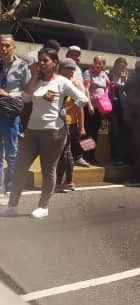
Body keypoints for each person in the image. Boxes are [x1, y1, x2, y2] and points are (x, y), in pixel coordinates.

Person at [0, 47, 88, 218]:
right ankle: (12, 205)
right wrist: (33, 76)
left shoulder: (61, 82)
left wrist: (66, 109)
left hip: (53, 132)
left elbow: (83, 99)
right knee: (19, 167)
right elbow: (25, 98)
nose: (41, 63)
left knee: (48, 169)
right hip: (32, 131)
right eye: (40, 60)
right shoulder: (37, 81)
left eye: (45, 60)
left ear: (54, 63)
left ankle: (43, 206)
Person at [0, 35, 31, 198]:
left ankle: (11, 187)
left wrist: (8, 93)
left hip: (10, 115)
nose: (3, 49)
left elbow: (28, 92)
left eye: (7, 46)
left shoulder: (21, 66)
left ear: (13, 47)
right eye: (1, 46)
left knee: (12, 152)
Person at [55, 58, 86, 192]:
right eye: (68, 68)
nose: (71, 71)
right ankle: (65, 181)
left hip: (67, 123)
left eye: (73, 68)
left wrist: (81, 126)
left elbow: (80, 107)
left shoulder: (73, 84)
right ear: (61, 69)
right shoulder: (57, 82)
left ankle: (65, 181)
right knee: (63, 154)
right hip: (56, 122)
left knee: (65, 154)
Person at [83, 55, 111, 164]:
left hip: (100, 108)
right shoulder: (88, 73)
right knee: (88, 131)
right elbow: (86, 88)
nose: (98, 65)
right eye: (96, 62)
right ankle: (86, 156)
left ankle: (92, 156)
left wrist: (105, 95)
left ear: (104, 65)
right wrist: (89, 104)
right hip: (91, 107)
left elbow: (108, 85)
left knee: (95, 132)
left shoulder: (104, 75)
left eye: (100, 63)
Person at [109, 57, 129, 166]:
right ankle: (114, 157)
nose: (121, 68)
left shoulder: (127, 77)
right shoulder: (109, 75)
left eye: (123, 66)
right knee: (115, 131)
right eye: (119, 65)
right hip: (112, 106)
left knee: (123, 133)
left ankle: (121, 157)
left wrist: (125, 80)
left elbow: (129, 92)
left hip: (124, 107)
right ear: (115, 65)